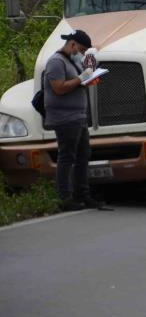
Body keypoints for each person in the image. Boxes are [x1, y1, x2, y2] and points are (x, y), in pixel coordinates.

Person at [44, 30, 99, 211]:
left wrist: (89, 77)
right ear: (72, 44)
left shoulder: (71, 61)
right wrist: (80, 79)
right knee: (66, 156)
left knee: (83, 156)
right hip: (65, 118)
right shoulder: (55, 62)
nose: (81, 53)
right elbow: (59, 88)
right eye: (81, 49)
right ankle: (65, 198)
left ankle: (82, 195)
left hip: (78, 117)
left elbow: (78, 80)